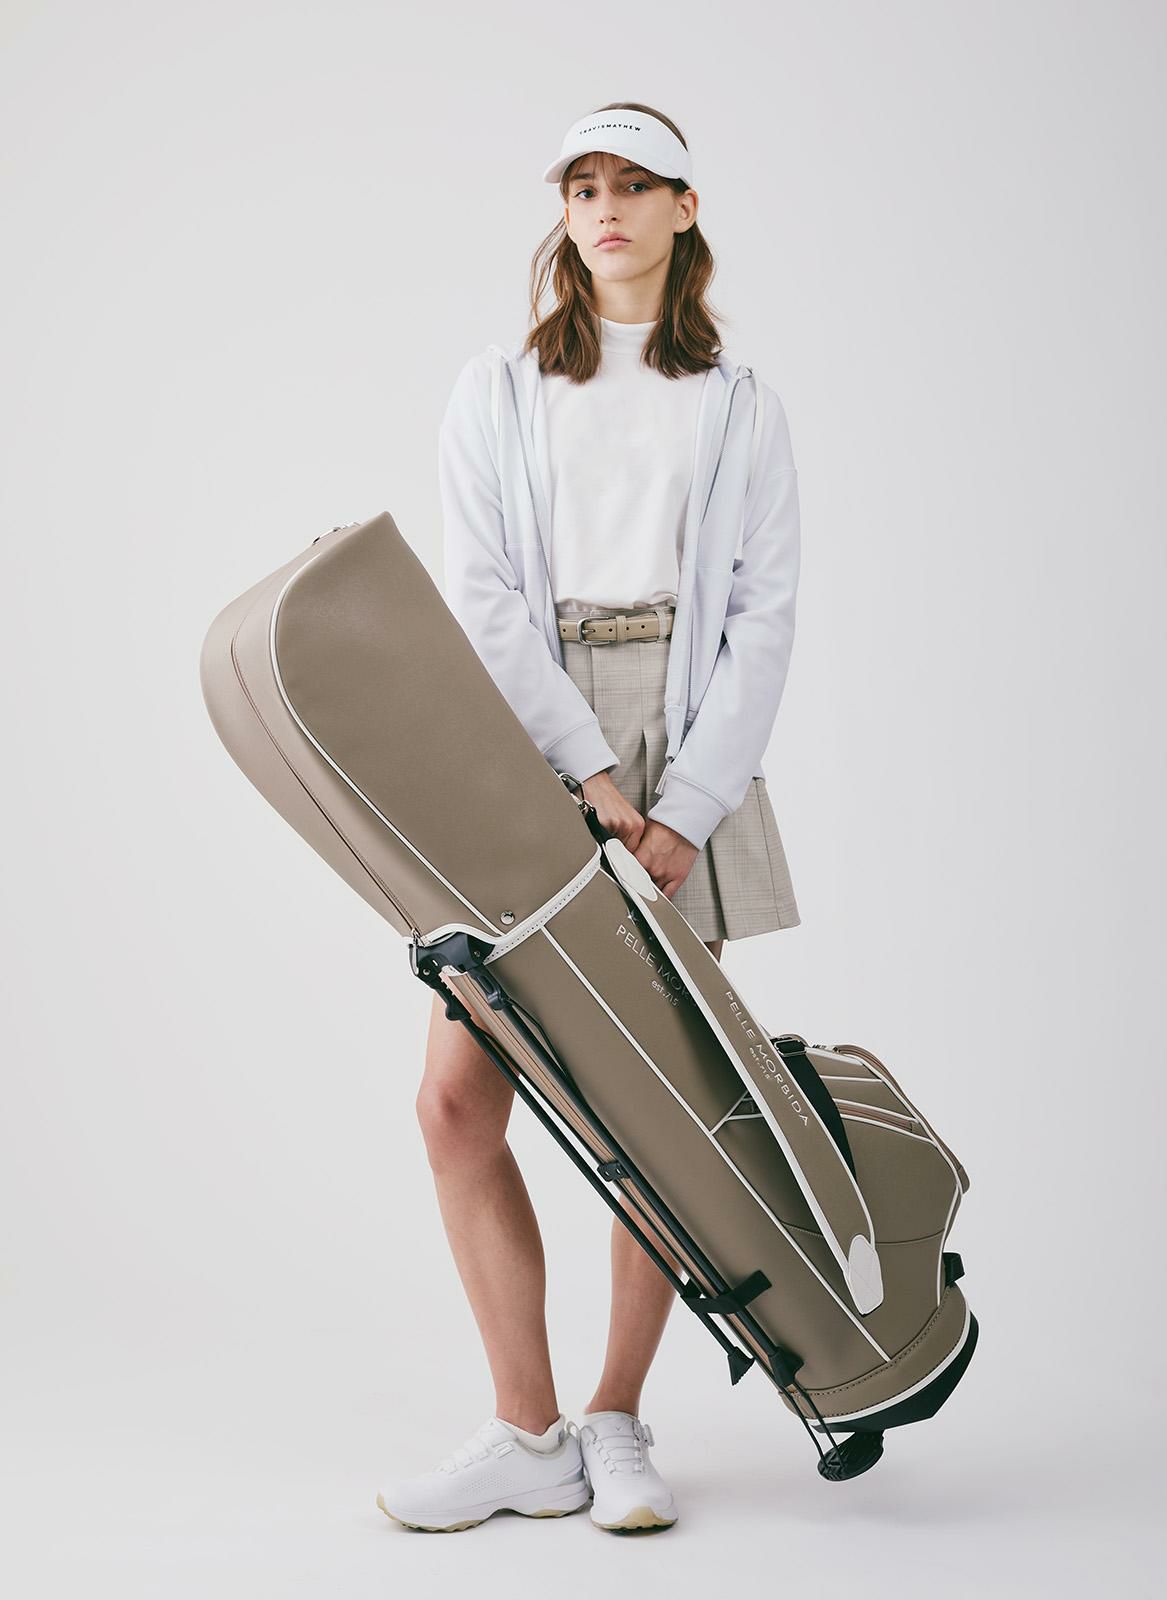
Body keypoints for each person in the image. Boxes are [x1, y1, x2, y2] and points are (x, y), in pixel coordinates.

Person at [377, 101, 802, 1535]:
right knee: (457, 1099)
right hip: (526, 740)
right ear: (562, 214)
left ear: (686, 208)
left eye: (633, 184)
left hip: (686, 744)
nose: (605, 207)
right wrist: (594, 785)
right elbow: (483, 598)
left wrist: (683, 806)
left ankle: (615, 1420)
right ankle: (525, 1430)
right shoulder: (497, 392)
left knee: (655, 1118)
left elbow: (761, 621)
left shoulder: (742, 406)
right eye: (581, 186)